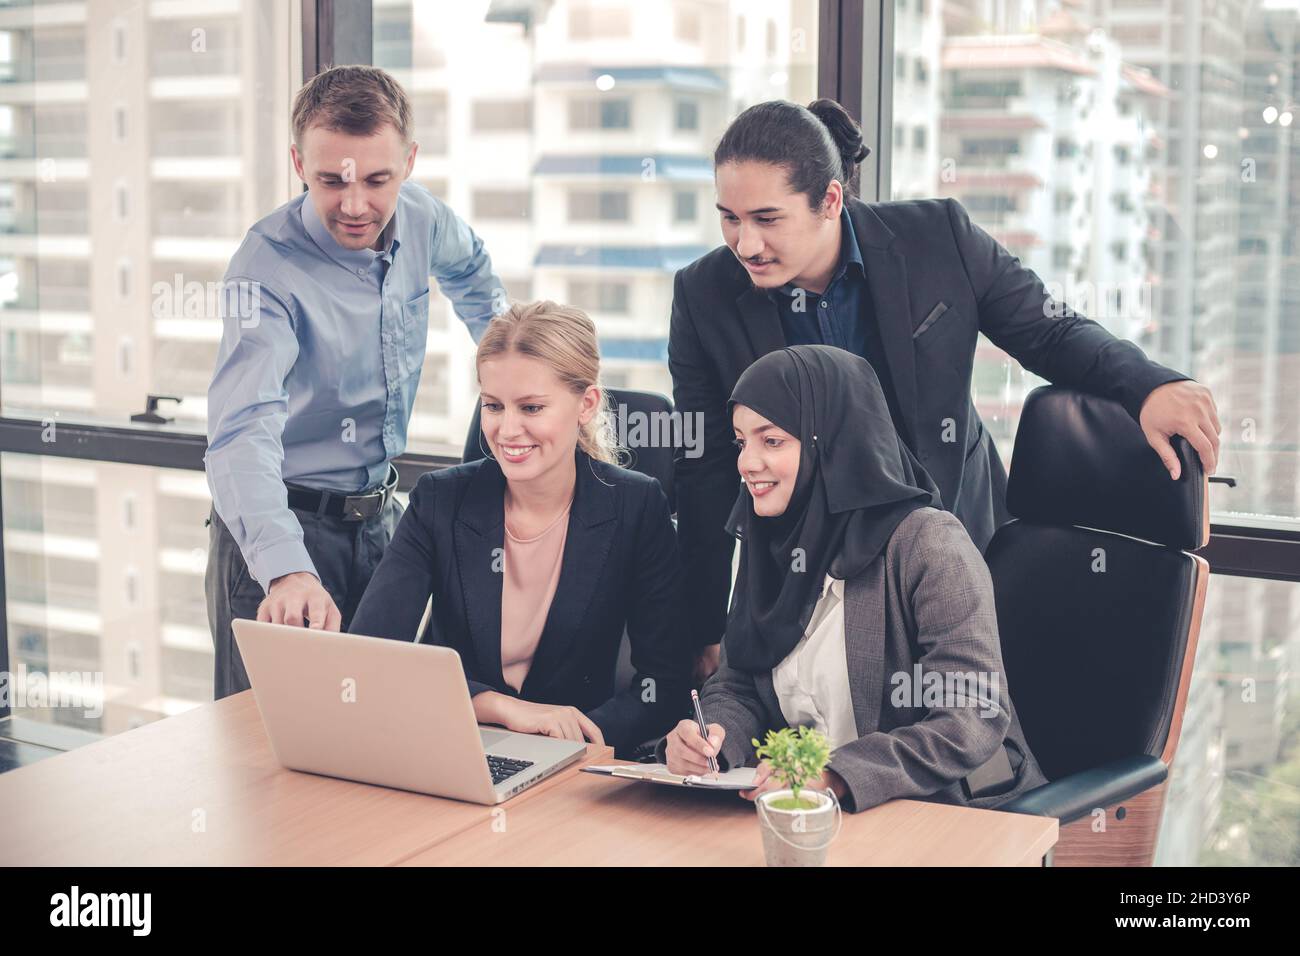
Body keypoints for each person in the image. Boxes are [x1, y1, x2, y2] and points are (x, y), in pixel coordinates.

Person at [668, 97, 1221, 681]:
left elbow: (1049, 331)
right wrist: (705, 627)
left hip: (958, 536)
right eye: (729, 217)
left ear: (830, 200)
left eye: (766, 218)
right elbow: (706, 467)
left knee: (967, 732)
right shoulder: (704, 295)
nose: (745, 243)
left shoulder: (937, 239)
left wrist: (1148, 386)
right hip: (810, 573)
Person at [205, 65, 505, 698]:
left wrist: (509, 377)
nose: (355, 205)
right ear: (297, 162)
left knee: (381, 733)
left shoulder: (424, 219)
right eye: (330, 180)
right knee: (265, 757)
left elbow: (476, 279)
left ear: (410, 161)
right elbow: (240, 434)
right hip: (281, 532)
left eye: (378, 179)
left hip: (379, 527)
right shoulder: (265, 269)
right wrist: (286, 572)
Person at [662, 345, 1049, 812]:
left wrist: (835, 775)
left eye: (773, 441)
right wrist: (714, 741)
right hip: (814, 811)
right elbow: (739, 683)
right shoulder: (770, 542)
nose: (746, 463)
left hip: (946, 809)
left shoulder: (929, 544)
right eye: (741, 442)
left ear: (832, 442)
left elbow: (970, 717)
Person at [349, 301, 693, 757]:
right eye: (493, 406)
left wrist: (572, 738)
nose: (508, 430)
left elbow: (662, 686)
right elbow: (370, 658)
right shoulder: (439, 500)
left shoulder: (637, 507)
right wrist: (500, 707)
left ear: (586, 404)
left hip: (576, 769)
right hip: (451, 749)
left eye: (531, 407)